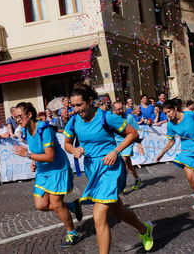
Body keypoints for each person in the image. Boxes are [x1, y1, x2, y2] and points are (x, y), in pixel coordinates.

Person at [63, 85, 154, 253]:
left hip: (111, 167)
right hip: (92, 169)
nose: (75, 110)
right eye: (73, 106)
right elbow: (67, 144)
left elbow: (132, 133)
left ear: (90, 101)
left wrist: (115, 151)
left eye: (79, 105)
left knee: (99, 217)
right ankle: (144, 229)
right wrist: (74, 150)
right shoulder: (74, 121)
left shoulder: (107, 117)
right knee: (117, 210)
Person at [12, 102, 82, 248]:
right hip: (43, 171)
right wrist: (34, 161)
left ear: (29, 115)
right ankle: (72, 206)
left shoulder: (44, 129)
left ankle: (72, 233)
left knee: (56, 204)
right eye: (15, 118)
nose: (17, 121)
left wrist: (28, 155)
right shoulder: (26, 131)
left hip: (57, 169)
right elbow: (38, 152)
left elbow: (50, 156)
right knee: (41, 205)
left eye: (19, 117)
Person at [112, 101, 144, 192]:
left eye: (122, 108)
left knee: (124, 161)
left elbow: (136, 132)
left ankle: (122, 185)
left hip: (128, 143)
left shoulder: (129, 117)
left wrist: (139, 144)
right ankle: (138, 180)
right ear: (114, 110)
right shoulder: (112, 118)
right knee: (129, 165)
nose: (121, 110)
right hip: (116, 144)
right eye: (118, 109)